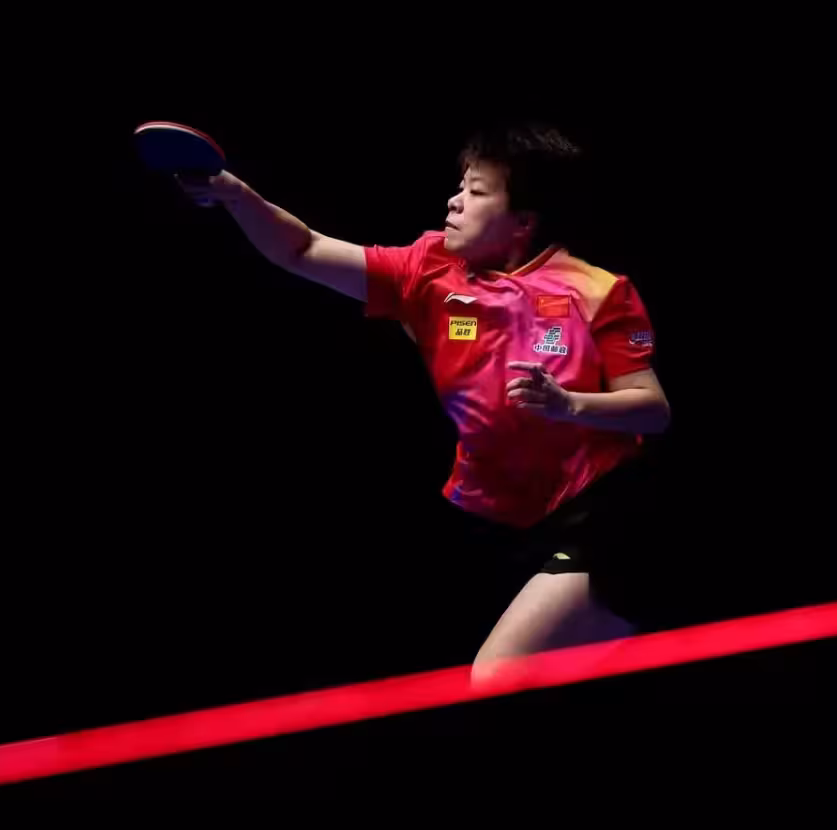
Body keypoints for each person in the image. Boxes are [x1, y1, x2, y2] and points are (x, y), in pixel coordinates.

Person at [174, 123, 670, 689]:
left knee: (496, 677)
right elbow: (303, 248)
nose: (454, 201)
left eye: (477, 192)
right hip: (496, 514)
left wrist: (568, 404)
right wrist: (237, 195)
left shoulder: (598, 291)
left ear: (523, 222)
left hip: (600, 508)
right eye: (460, 186)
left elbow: (652, 409)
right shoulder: (426, 270)